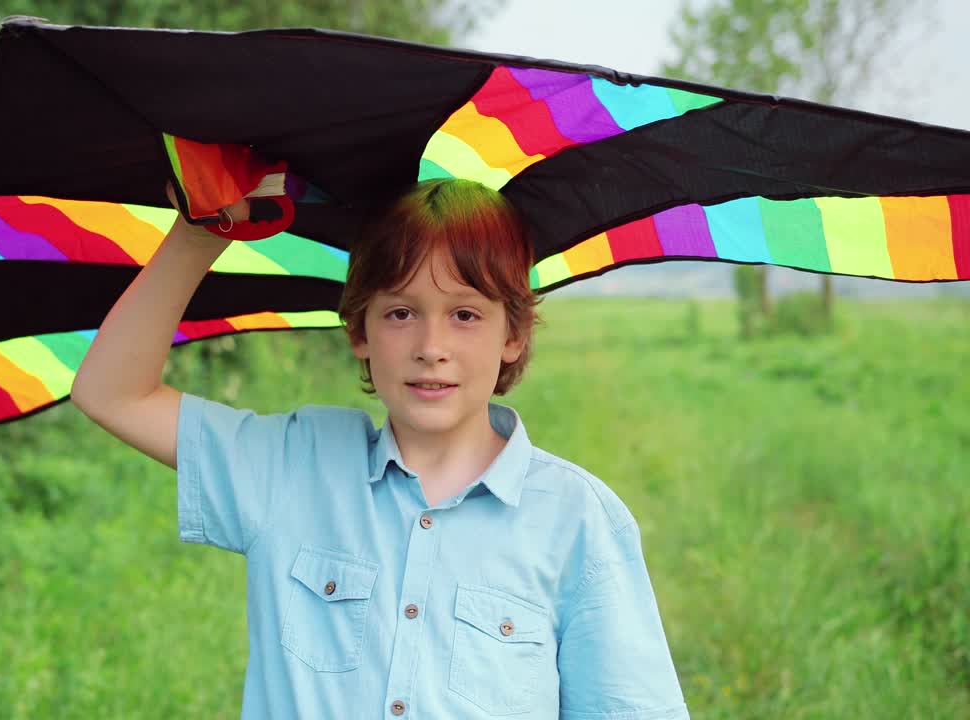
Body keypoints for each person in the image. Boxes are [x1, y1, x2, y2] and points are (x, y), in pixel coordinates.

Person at [71, 177, 688, 719]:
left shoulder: (578, 520)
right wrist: (200, 233)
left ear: (514, 335)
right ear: (359, 331)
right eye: (400, 313)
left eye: (466, 315)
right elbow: (111, 393)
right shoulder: (292, 467)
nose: (430, 345)